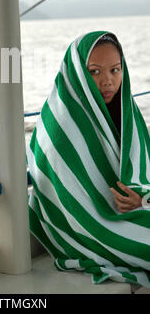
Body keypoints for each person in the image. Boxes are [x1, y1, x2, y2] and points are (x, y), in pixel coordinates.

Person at [27, 31, 150, 287]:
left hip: (137, 209)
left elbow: (143, 169)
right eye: (95, 72)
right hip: (94, 229)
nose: (108, 81)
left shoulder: (126, 108)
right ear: (78, 72)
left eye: (115, 70)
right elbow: (75, 210)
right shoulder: (60, 125)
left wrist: (142, 198)